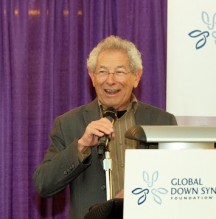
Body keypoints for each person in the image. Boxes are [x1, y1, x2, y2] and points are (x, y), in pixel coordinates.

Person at [33, 35, 177, 219]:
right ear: (92, 77)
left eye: (119, 72)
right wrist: (81, 146)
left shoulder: (162, 121)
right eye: (102, 72)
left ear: (136, 76)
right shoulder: (68, 124)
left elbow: (176, 181)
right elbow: (44, 184)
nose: (110, 80)